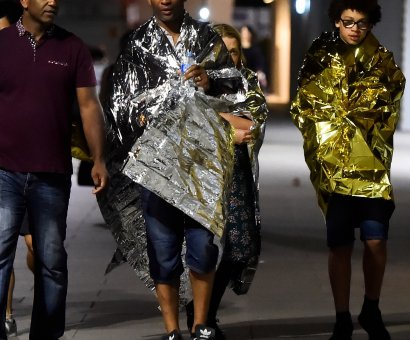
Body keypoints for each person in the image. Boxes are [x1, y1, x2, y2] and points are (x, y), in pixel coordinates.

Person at [0, 0, 109, 338]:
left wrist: (98, 159)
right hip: (2, 172)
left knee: (52, 263)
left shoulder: (72, 47)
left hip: (51, 175)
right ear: (24, 0)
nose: (53, 1)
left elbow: (88, 106)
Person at [102, 0, 243, 339]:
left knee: (203, 249)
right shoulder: (137, 44)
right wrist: (147, 114)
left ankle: (200, 325)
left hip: (201, 162)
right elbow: (120, 103)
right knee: (162, 252)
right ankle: (171, 330)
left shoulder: (207, 39)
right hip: (156, 166)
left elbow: (236, 87)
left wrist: (210, 81)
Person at [290, 1, 405, 339]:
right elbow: (306, 102)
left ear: (371, 24)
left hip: (370, 167)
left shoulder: (381, 60)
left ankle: (371, 307)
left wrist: (357, 111)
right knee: (339, 244)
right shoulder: (320, 54)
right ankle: (342, 317)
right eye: (348, 21)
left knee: (375, 240)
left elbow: (389, 100)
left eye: (362, 23)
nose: (355, 28)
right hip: (334, 168)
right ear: (336, 21)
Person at [191, 23, 268, 339]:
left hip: (237, 173)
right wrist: (226, 129)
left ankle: (204, 311)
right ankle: (201, 318)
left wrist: (218, 120)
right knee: (202, 249)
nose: (227, 57)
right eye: (220, 51)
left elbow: (252, 125)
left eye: (233, 52)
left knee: (242, 248)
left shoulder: (247, 82)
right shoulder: (196, 84)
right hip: (201, 175)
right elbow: (187, 126)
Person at [0, 0, 35, 336]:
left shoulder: (31, 51)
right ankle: (6, 313)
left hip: (37, 168)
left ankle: (41, 290)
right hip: (2, 167)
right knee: (0, 250)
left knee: (38, 249)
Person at [239, 25, 268, 92]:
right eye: (243, 32)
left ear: (251, 34)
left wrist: (260, 73)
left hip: (252, 76)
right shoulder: (238, 48)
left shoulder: (255, 49)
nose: (245, 35)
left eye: (247, 32)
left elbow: (260, 63)